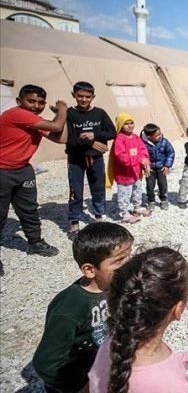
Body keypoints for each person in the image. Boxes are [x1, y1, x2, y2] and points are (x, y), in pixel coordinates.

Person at [88, 247, 188, 392]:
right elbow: (161, 373)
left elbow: (160, 367)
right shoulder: (169, 383)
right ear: (178, 309)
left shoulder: (113, 344)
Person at [33, 222, 134, 393]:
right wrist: (83, 386)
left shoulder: (116, 286)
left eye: (129, 256)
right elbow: (47, 362)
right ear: (89, 270)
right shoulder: (69, 309)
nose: (129, 264)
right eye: (119, 260)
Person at [0, 84, 68, 269]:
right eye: (31, 101)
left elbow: (61, 137)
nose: (36, 105)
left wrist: (63, 116)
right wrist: (62, 109)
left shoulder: (35, 122)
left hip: (23, 170)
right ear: (19, 101)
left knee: (29, 209)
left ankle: (35, 242)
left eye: (40, 102)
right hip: (3, 170)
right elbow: (56, 125)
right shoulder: (16, 114)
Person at [65, 81, 116, 238]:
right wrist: (91, 142)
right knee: (76, 190)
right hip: (76, 158)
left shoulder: (100, 113)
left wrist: (95, 134)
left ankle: (99, 218)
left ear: (93, 97)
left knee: (98, 188)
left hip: (95, 158)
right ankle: (74, 223)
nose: (84, 100)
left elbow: (112, 132)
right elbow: (70, 139)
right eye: (80, 96)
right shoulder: (69, 114)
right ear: (74, 95)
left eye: (88, 96)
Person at [108, 114, 151, 224]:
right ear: (120, 125)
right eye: (126, 124)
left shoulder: (136, 137)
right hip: (124, 173)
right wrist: (138, 159)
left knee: (137, 189)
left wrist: (145, 162)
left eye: (131, 123)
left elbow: (143, 150)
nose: (129, 126)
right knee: (124, 193)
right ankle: (125, 213)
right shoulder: (119, 139)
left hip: (135, 172)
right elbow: (122, 156)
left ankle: (137, 206)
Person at [141, 123, 175, 210]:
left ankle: (163, 199)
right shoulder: (142, 143)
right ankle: (151, 200)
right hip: (150, 168)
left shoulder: (164, 142)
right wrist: (144, 167)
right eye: (157, 135)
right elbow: (141, 155)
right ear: (149, 137)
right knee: (150, 185)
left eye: (160, 133)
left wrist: (167, 165)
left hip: (161, 167)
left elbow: (170, 153)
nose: (160, 136)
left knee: (162, 184)